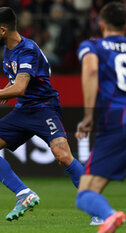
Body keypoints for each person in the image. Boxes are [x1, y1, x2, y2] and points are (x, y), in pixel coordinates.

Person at [0, 6, 87, 222]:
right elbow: (17, 82)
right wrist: (3, 91)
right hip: (23, 110)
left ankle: (98, 208)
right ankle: (24, 194)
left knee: (63, 156)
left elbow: (20, 88)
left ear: (3, 29)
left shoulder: (26, 49)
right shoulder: (9, 48)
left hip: (43, 108)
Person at [75, 2, 126, 233]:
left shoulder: (92, 46)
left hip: (116, 122)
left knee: (86, 194)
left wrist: (88, 116)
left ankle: (109, 216)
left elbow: (92, 70)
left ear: (102, 23)